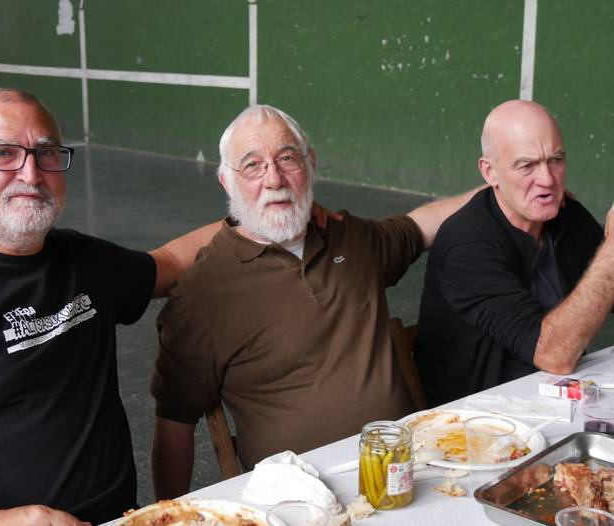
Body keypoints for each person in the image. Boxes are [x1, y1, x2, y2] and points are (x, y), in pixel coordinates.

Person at [0, 87, 228, 526]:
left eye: (45, 153)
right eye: (2, 153)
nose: (31, 173)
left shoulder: (79, 259)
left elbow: (171, 263)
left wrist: (266, 208)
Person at [149, 104, 481, 499]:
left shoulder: (351, 239)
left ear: (310, 164)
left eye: (287, 158)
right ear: (226, 181)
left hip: (407, 474)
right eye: (253, 166)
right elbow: (174, 424)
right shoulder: (202, 294)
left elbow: (421, 226)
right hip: (300, 498)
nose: (274, 179)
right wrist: (165, 514)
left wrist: (505, 186)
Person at [415, 99, 614, 407]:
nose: (547, 180)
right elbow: (554, 355)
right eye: (527, 166)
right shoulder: (467, 246)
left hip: (560, 402)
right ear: (490, 172)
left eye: (556, 160)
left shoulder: (566, 216)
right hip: (478, 421)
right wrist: (611, 249)